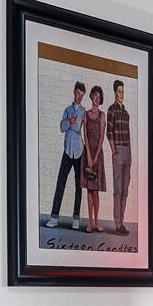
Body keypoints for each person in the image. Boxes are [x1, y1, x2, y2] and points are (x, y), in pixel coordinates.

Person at [48, 83, 86, 223]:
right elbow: (62, 128)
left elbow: (85, 130)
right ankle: (54, 217)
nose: (79, 97)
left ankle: (76, 218)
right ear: (73, 92)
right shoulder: (67, 110)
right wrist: (69, 121)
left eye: (82, 95)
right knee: (60, 182)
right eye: (78, 93)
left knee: (79, 185)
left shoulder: (84, 111)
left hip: (79, 150)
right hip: (67, 149)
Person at [107, 79, 134, 234]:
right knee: (117, 190)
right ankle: (118, 224)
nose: (121, 93)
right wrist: (114, 152)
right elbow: (109, 133)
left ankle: (122, 222)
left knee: (125, 190)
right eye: (119, 90)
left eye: (123, 91)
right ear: (114, 92)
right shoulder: (112, 110)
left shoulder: (126, 113)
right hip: (117, 150)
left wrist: (130, 152)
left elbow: (128, 135)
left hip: (127, 152)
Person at [79, 84, 109, 225]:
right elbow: (84, 134)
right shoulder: (86, 114)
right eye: (95, 95)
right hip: (87, 155)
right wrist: (89, 156)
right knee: (89, 191)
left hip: (98, 155)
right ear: (91, 96)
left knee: (95, 191)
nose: (97, 98)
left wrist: (95, 157)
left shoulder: (102, 115)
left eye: (99, 96)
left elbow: (102, 138)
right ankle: (90, 223)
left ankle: (97, 222)